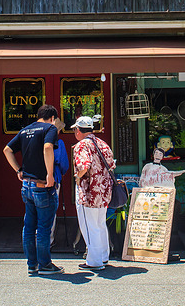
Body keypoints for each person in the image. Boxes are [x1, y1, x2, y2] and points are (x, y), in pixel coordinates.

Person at [3, 104, 63, 276]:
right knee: (44, 227)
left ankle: (32, 264)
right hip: (42, 185)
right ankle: (45, 265)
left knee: (29, 227)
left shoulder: (25, 130)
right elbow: (47, 148)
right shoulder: (50, 129)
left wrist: (18, 170)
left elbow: (7, 150)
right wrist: (50, 174)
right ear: (52, 118)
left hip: (26, 185)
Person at [72, 114, 114, 272]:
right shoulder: (102, 143)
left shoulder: (82, 145)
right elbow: (111, 164)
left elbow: (84, 165)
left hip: (89, 192)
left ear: (78, 130)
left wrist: (77, 177)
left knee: (89, 227)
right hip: (103, 192)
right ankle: (103, 256)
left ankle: (94, 261)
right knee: (100, 225)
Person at [50, 117, 70, 247]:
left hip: (35, 178)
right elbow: (64, 164)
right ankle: (49, 239)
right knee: (51, 209)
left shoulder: (37, 141)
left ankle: (35, 239)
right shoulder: (59, 143)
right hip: (54, 177)